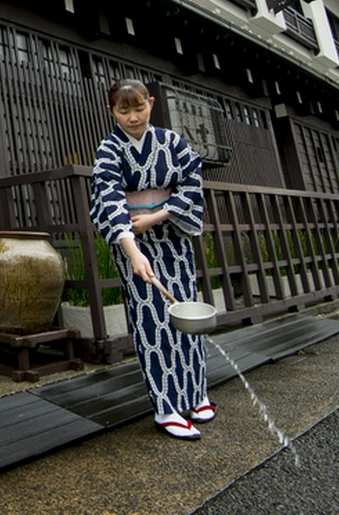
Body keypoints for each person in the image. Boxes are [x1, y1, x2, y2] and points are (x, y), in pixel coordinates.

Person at [89, 78, 215, 440]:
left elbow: (192, 179)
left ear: (152, 103)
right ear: (111, 111)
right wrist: (133, 253)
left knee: (185, 310)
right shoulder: (109, 149)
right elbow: (109, 198)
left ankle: (195, 393)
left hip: (171, 233)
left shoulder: (172, 142)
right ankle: (166, 407)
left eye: (139, 108)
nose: (133, 117)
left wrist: (158, 216)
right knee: (152, 320)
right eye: (123, 110)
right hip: (132, 239)